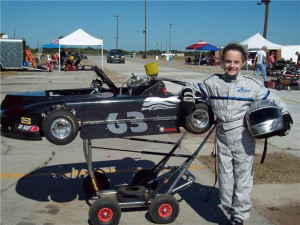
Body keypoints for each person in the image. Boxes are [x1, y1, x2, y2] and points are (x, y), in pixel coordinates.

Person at [180, 43, 293, 225]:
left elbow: (274, 99)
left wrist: (286, 115)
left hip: (244, 136)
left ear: (243, 63)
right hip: (223, 136)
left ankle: (239, 216)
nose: (231, 66)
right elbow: (192, 86)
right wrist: (187, 95)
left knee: (243, 177)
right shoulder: (213, 82)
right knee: (225, 177)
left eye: (236, 62)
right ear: (222, 62)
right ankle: (229, 207)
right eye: (228, 61)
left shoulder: (252, 85)